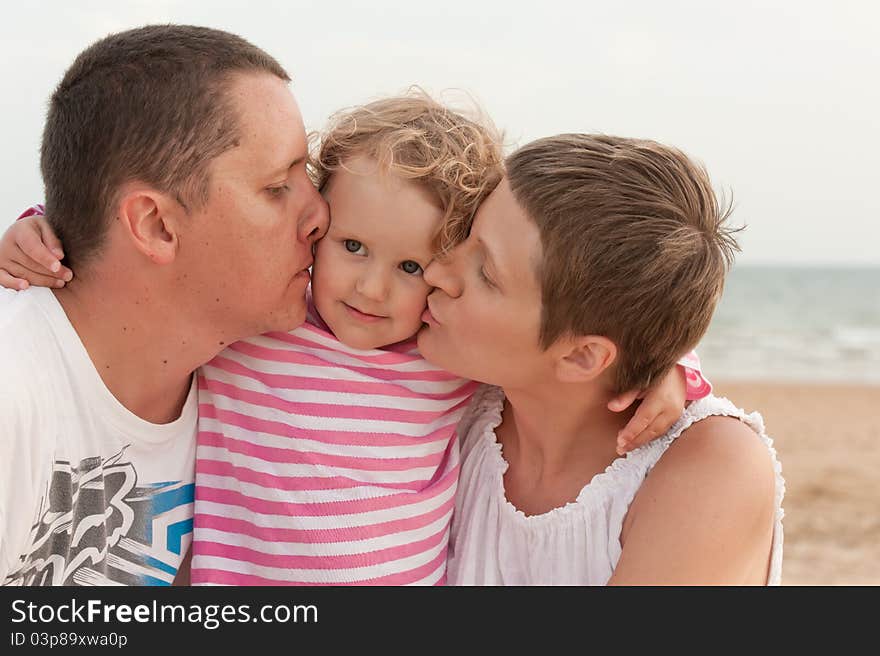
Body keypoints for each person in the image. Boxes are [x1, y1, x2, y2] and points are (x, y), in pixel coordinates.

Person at [1, 94, 711, 584]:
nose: (372, 289)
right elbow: (157, 250)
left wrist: (672, 368)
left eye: (409, 266)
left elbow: (582, 329)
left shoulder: (445, 361)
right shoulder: (261, 326)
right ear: (315, 223)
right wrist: (44, 230)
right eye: (351, 246)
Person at [0, 25, 328, 586]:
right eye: (278, 187)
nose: (320, 214)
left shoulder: (257, 381)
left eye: (310, 175)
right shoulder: (15, 393)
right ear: (156, 225)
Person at [417, 134, 785, 585]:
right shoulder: (452, 401)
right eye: (465, 236)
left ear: (582, 356)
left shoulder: (712, 467)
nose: (435, 272)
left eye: (486, 274)